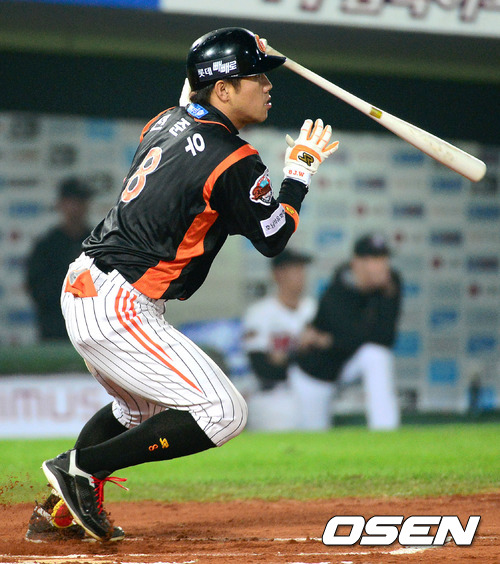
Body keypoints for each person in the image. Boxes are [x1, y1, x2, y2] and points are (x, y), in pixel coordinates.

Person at [25, 27, 339, 543]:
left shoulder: (164, 121)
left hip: (89, 284)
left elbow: (195, 127)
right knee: (224, 413)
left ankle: (56, 513)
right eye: (256, 77)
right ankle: (77, 470)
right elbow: (274, 237)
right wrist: (299, 173)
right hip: (118, 302)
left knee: (137, 413)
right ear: (223, 90)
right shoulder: (235, 160)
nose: (267, 85)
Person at [291, 233, 402, 431]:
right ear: (356, 263)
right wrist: (333, 341)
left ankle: (385, 432)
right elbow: (343, 341)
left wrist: (330, 340)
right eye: (374, 259)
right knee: (314, 437)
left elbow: (386, 338)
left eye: (383, 259)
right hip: (316, 373)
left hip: (348, 363)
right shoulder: (337, 291)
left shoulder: (390, 284)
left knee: (376, 355)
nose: (382, 266)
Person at [242, 248, 315, 430]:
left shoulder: (314, 309)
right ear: (278, 274)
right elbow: (262, 367)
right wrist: (301, 349)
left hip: (312, 392)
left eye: (302, 269)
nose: (301, 275)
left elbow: (326, 359)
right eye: (295, 269)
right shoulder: (259, 313)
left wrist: (284, 357)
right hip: (273, 396)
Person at [25, 177, 93, 341]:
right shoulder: (47, 246)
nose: (76, 207)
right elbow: (37, 289)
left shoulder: (98, 243)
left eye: (81, 201)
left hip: (92, 332)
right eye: (71, 201)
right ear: (61, 204)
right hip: (55, 330)